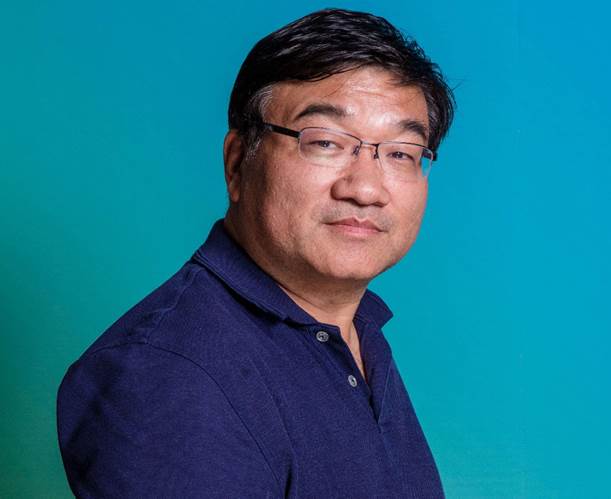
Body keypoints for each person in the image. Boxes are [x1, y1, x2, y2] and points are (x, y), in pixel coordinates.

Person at [57, 8, 455, 498]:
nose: (366, 188)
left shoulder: (356, 335)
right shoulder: (167, 374)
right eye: (325, 142)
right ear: (237, 163)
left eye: (400, 153)